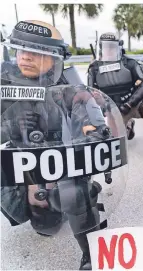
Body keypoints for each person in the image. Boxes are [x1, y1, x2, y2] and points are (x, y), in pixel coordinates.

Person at [1, 20, 127, 270]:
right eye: (21, 49)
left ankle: (91, 253)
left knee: (73, 191)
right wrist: (8, 127)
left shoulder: (70, 85)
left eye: (35, 52)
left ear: (55, 58)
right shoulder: (3, 83)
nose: (25, 56)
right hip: (21, 170)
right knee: (44, 224)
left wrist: (93, 136)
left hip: (61, 165)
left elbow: (92, 121)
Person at [87, 32, 143, 156]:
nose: (109, 50)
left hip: (133, 103)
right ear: (101, 48)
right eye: (106, 47)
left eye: (112, 47)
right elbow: (90, 92)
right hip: (112, 110)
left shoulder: (130, 64)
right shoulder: (94, 69)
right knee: (110, 146)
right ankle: (127, 127)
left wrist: (129, 104)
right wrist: (102, 106)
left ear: (118, 47)